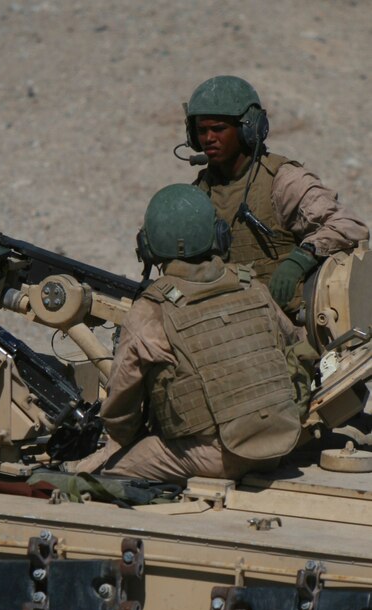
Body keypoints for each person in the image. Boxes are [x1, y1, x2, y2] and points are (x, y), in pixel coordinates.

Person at [68, 184, 310, 484]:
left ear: (148, 247)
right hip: (281, 441)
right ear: (218, 235)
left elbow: (120, 412)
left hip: (222, 455)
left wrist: (122, 439)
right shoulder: (251, 286)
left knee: (112, 472)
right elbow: (297, 346)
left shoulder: (150, 310)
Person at [183, 75, 369, 312]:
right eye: (201, 131)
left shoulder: (282, 181)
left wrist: (302, 257)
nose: (209, 139)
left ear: (249, 129)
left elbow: (349, 226)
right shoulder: (199, 192)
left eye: (218, 129)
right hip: (227, 320)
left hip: (288, 323)